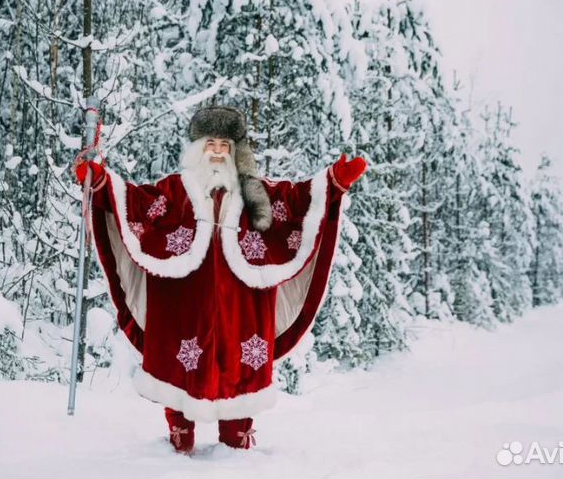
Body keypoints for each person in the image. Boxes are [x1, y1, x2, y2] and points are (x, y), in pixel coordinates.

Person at [74, 105, 367, 453]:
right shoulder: (175, 190)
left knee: (241, 363)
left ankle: (237, 436)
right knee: (180, 358)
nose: (217, 151)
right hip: (185, 299)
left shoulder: (254, 192)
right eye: (210, 143)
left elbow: (293, 200)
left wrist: (333, 180)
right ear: (199, 147)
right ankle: (179, 434)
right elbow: (138, 203)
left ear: (234, 150)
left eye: (224, 145)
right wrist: (102, 182)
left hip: (240, 304)